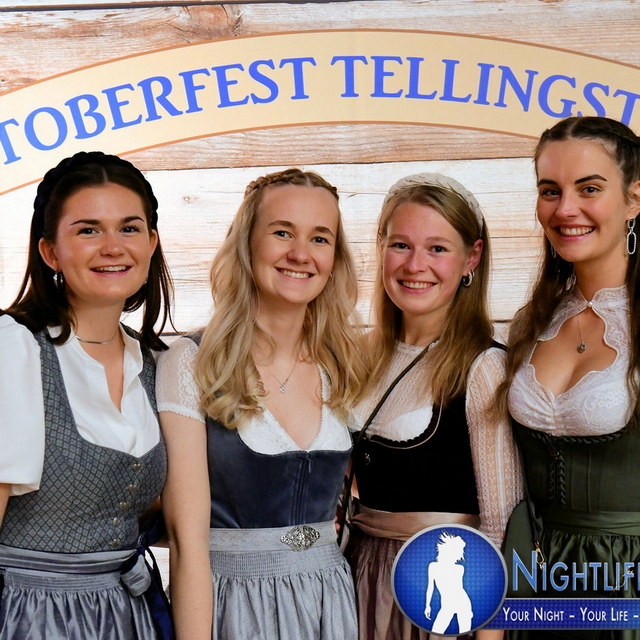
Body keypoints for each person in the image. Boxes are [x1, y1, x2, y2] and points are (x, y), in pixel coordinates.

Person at [156, 168, 365, 640]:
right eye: (282, 233)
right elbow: (187, 545)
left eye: (320, 238)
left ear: (335, 258)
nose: (300, 254)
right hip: (232, 604)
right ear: (246, 243)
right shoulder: (192, 362)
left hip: (328, 604)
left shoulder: (346, 364)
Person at [0, 151, 174, 640]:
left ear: (152, 242)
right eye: (88, 230)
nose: (113, 247)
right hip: (28, 616)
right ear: (50, 252)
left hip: (130, 614)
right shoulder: (15, 349)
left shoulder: (156, 363)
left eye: (129, 228)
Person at [346, 173, 522, 640]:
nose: (415, 264)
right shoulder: (363, 358)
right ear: (381, 247)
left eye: (437, 248)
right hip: (360, 582)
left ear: (472, 258)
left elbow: (502, 529)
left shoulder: (483, 366)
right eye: (400, 245)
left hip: (437, 599)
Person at [500, 116, 640, 635]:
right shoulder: (531, 323)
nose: (565, 209)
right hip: (538, 583)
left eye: (590, 188)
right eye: (550, 191)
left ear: (634, 199)